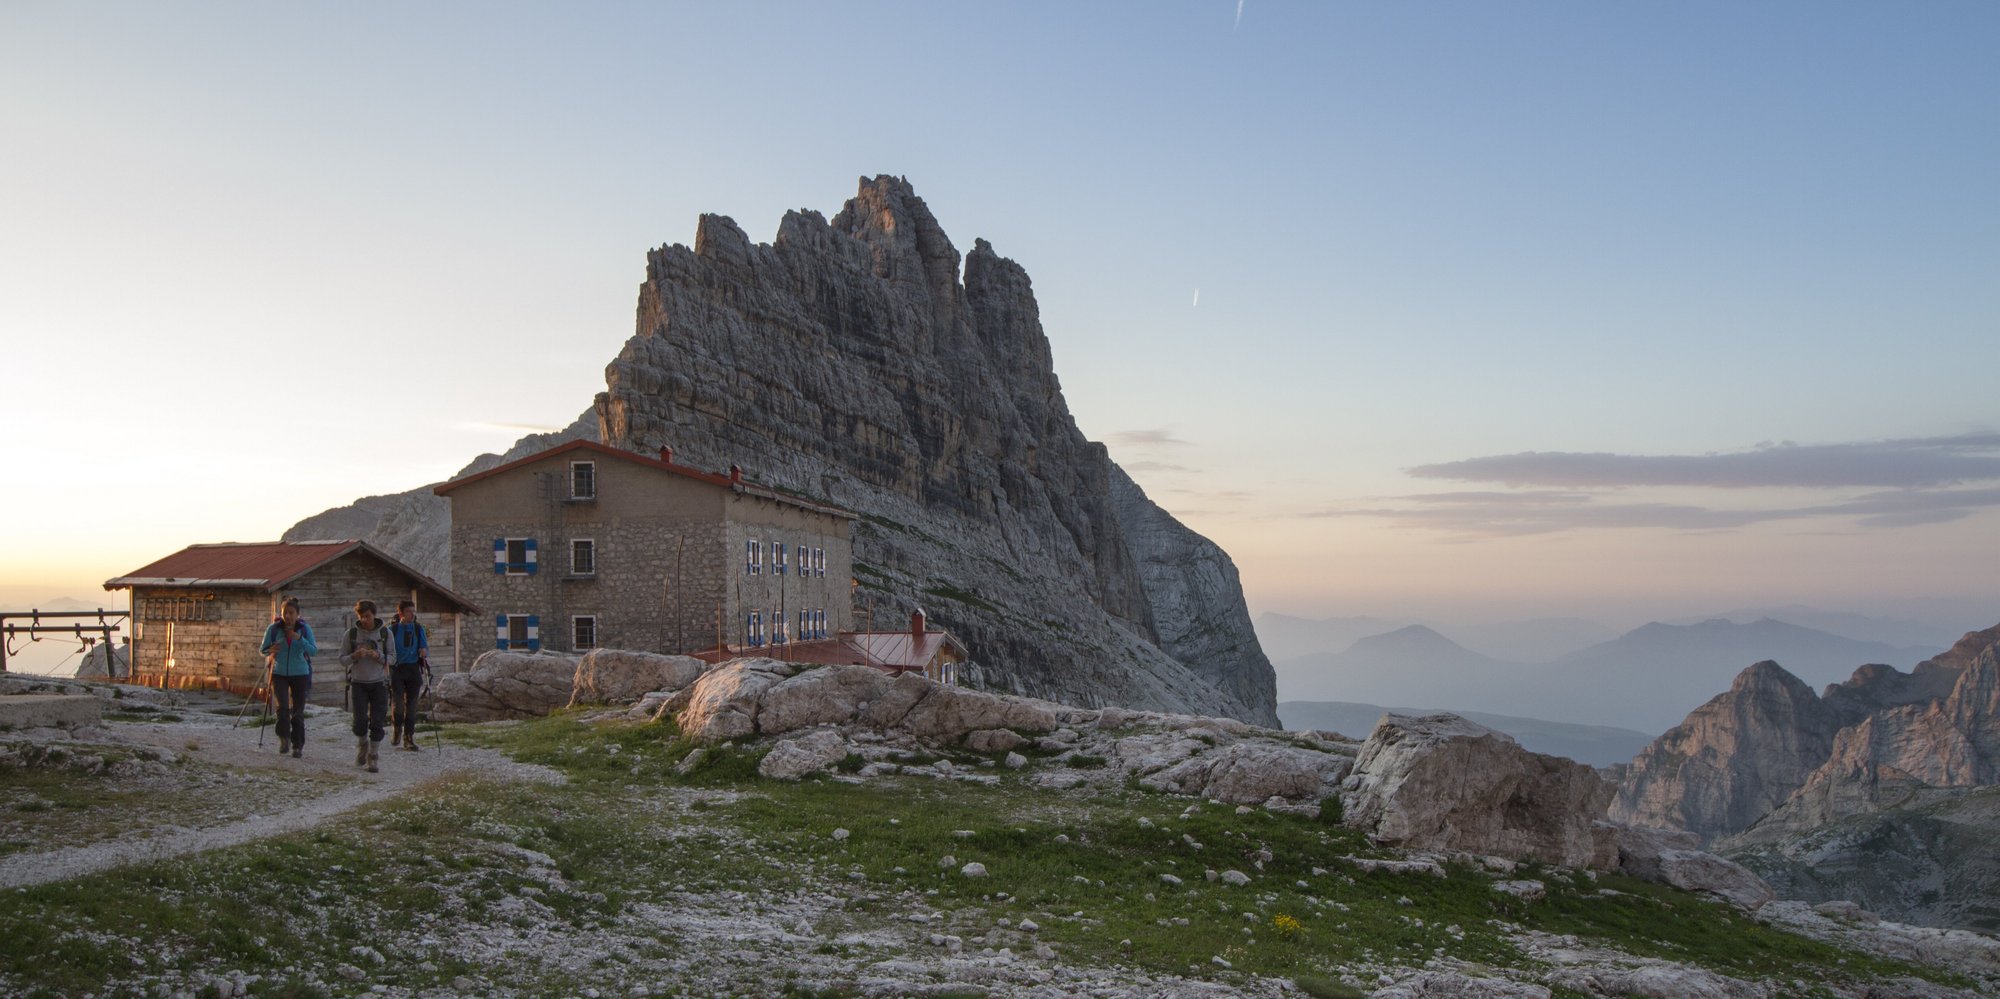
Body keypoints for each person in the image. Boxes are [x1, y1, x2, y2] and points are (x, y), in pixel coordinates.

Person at [259, 597, 317, 758]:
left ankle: (297, 745)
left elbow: (313, 651)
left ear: (298, 614)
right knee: (283, 708)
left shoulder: (304, 629)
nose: (288, 616)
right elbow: (262, 650)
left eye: (291, 613)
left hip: (300, 673)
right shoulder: (274, 629)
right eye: (285, 613)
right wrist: (271, 649)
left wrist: (299, 639)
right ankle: (284, 737)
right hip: (279, 673)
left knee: (297, 711)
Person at [340, 599, 394, 773]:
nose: (365, 620)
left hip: (379, 682)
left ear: (374, 615)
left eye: (368, 616)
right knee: (360, 722)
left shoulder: (385, 633)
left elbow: (393, 658)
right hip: (358, 683)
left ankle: (373, 755)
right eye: (362, 617)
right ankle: (363, 744)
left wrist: (378, 656)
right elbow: (342, 659)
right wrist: (354, 656)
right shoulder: (351, 634)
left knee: (377, 721)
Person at [387, 599, 429, 751]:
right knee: (398, 704)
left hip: (413, 669)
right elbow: (387, 649)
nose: (412, 614)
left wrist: (424, 652)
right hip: (397, 669)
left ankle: (408, 737)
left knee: (411, 706)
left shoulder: (418, 629)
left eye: (413, 611)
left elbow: (424, 647)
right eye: (409, 611)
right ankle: (397, 729)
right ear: (401, 613)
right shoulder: (393, 630)